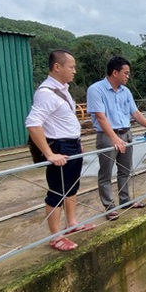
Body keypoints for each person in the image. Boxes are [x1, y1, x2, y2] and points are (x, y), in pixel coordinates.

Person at [26, 50, 92, 251]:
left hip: (72, 144)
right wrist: (49, 153)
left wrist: (77, 141)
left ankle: (71, 223)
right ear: (57, 67)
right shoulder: (46, 93)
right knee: (57, 192)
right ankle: (55, 237)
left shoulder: (63, 90)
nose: (74, 70)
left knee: (72, 187)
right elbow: (32, 123)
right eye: (71, 67)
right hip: (59, 146)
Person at [86, 56, 146, 219]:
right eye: (125, 73)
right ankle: (109, 206)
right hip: (107, 135)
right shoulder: (96, 90)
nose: (128, 76)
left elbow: (135, 113)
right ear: (115, 72)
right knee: (106, 172)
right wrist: (114, 138)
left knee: (126, 169)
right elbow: (100, 116)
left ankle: (125, 200)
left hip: (126, 133)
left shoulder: (125, 91)